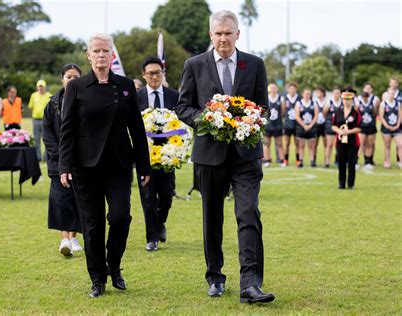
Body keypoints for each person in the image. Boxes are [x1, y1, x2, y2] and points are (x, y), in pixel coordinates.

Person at [175, 10, 275, 304]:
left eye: (228, 33)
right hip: (209, 154)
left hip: (246, 156)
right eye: (218, 34)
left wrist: (249, 122)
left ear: (237, 34)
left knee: (248, 214)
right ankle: (215, 277)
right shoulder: (194, 65)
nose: (223, 39)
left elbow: (262, 108)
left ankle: (250, 283)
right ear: (211, 35)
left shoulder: (254, 64)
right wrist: (208, 119)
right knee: (212, 218)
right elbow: (183, 107)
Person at [58, 33, 151, 298]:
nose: (101, 55)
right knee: (93, 224)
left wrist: (144, 165)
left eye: (105, 51)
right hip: (85, 167)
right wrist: (64, 165)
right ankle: (98, 278)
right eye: (96, 51)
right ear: (88, 55)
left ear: (112, 55)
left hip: (119, 164)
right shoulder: (76, 87)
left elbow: (136, 126)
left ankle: (115, 265)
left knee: (121, 217)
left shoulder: (124, 86)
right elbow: (68, 129)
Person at [136, 56, 179, 252]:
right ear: (144, 75)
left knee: (167, 195)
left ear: (163, 74)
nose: (155, 76)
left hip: (169, 154)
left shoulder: (174, 96)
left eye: (158, 73)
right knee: (148, 197)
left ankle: (160, 222)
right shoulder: (137, 97)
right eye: (151, 73)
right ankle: (151, 237)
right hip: (144, 155)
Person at [43, 64, 83, 257]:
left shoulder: (86, 100)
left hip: (82, 161)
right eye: (69, 77)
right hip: (58, 162)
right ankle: (64, 239)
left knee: (78, 201)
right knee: (61, 201)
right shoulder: (52, 104)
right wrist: (60, 158)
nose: (72, 80)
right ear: (62, 79)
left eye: (76, 77)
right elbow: (48, 135)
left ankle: (74, 237)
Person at [332, 87, 361, 189]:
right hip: (340, 141)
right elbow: (333, 125)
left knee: (351, 162)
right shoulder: (338, 112)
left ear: (352, 100)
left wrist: (348, 132)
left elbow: (359, 128)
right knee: (341, 162)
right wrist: (339, 131)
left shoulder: (356, 113)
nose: (346, 101)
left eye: (348, 99)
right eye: (344, 99)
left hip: (352, 141)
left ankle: (351, 183)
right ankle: (341, 183)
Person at [28, 80, 52, 161]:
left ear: (45, 87)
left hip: (46, 120)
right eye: (39, 86)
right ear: (37, 87)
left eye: (42, 87)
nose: (40, 88)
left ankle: (46, 157)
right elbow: (31, 107)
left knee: (47, 139)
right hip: (36, 120)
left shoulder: (49, 96)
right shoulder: (33, 95)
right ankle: (38, 157)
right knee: (36, 139)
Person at [295, 88, 319, 168]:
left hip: (311, 127)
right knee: (301, 145)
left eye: (309, 94)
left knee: (311, 146)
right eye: (306, 94)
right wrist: (304, 125)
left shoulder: (314, 103)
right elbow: (297, 116)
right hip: (301, 127)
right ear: (303, 94)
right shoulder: (299, 103)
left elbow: (316, 116)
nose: (307, 95)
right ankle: (301, 160)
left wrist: (310, 125)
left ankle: (312, 161)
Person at [357, 83, 380, 169]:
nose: (367, 89)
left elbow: (376, 112)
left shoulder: (375, 99)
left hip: (371, 125)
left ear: (372, 89)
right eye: (366, 88)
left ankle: (368, 161)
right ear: (363, 89)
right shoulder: (358, 99)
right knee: (360, 143)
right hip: (361, 125)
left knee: (370, 143)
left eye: (369, 88)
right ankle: (355, 161)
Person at [263, 83, 285, 167]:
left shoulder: (280, 98)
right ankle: (267, 160)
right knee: (267, 143)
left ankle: (282, 160)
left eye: (274, 88)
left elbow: (283, 111)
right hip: (268, 124)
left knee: (279, 143)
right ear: (269, 89)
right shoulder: (266, 98)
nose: (273, 89)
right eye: (271, 88)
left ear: (277, 89)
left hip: (278, 124)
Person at [379, 89, 402, 168]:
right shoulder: (383, 104)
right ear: (387, 94)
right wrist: (388, 126)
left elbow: (399, 116)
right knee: (387, 146)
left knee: (400, 144)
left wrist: (397, 125)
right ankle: (387, 161)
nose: (391, 95)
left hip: (396, 128)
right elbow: (381, 117)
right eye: (390, 94)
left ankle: (401, 162)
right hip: (386, 128)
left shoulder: (398, 104)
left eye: (393, 94)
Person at [282, 82, 301, 167]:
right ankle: (285, 160)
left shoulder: (299, 98)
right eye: (291, 89)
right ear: (288, 89)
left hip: (297, 124)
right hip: (287, 124)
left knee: (297, 143)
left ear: (296, 90)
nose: (292, 90)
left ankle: (298, 160)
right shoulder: (284, 98)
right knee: (286, 143)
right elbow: (282, 111)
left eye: (294, 89)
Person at [323, 88, 342, 167]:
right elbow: (324, 112)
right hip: (330, 125)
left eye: (338, 93)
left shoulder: (342, 103)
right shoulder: (329, 103)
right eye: (335, 93)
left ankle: (339, 160)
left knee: (340, 145)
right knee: (329, 144)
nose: (336, 95)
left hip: (340, 126)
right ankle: (327, 161)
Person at [314, 87, 327, 164]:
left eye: (320, 92)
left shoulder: (327, 102)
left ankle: (326, 160)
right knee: (315, 144)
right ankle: (314, 160)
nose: (318, 93)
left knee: (326, 144)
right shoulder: (314, 101)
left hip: (324, 125)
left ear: (323, 93)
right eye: (317, 92)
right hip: (316, 125)